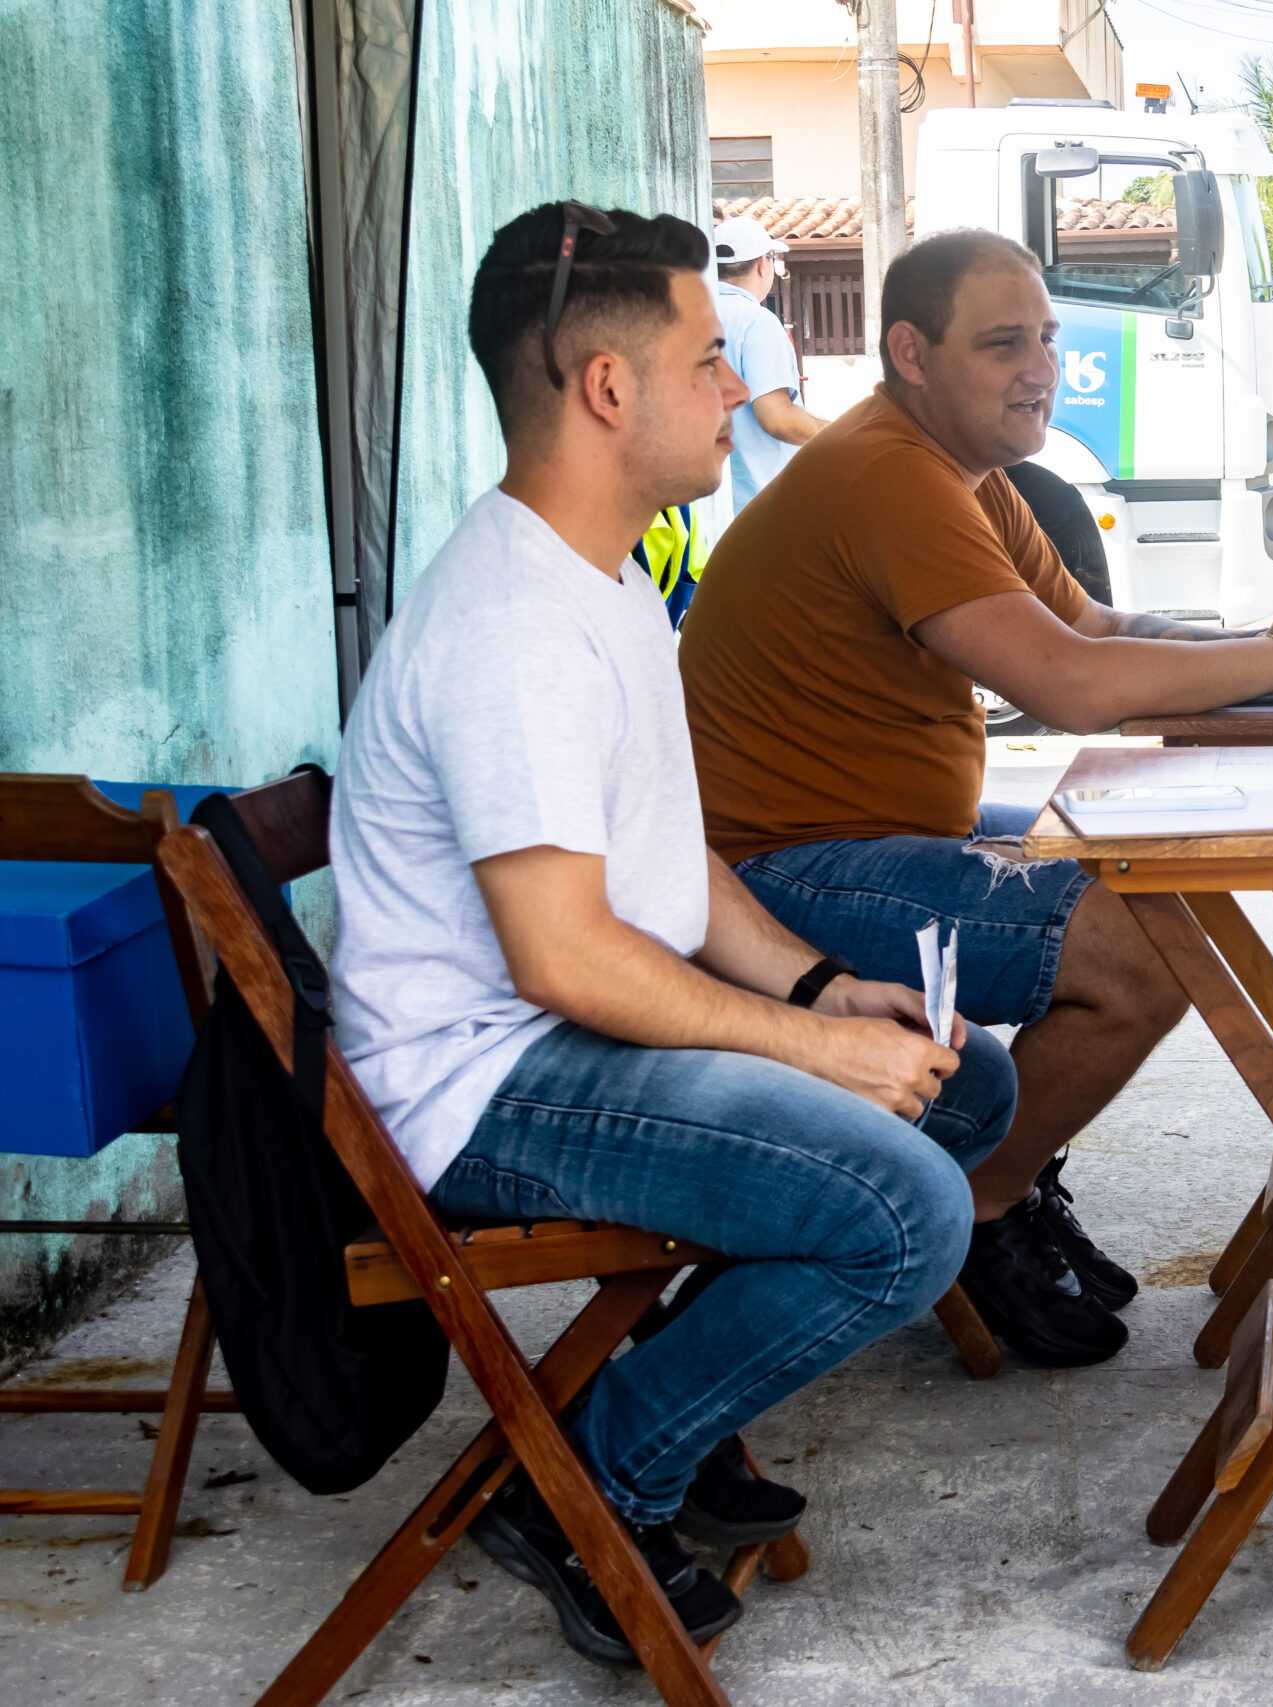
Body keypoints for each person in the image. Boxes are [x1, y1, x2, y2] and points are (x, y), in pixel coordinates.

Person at [328, 202, 1019, 1669]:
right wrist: (812, 1049)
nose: (739, 385)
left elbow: (667, 862)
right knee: (905, 1210)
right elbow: (564, 955)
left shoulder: (614, 570)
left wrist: (833, 987)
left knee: (971, 1085)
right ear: (605, 387)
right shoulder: (514, 623)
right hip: (484, 1080)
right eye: (711, 357)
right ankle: (586, 1475)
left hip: (562, 1035)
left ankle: (671, 1410)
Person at [678, 229, 1273, 1369]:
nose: (1039, 369)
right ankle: (979, 1213)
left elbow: (1093, 630)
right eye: (1003, 345)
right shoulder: (887, 475)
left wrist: (1258, 638)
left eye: (1044, 339)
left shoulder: (962, 475)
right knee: (1148, 946)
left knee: (1158, 870)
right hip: (766, 877)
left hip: (878, 838)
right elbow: (1071, 686)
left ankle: (1000, 1186)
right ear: (909, 352)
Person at [708, 214, 828, 513]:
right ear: (763, 264)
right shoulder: (756, 322)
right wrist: (841, 434)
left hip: (703, 511)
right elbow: (777, 418)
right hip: (758, 503)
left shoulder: (693, 313)